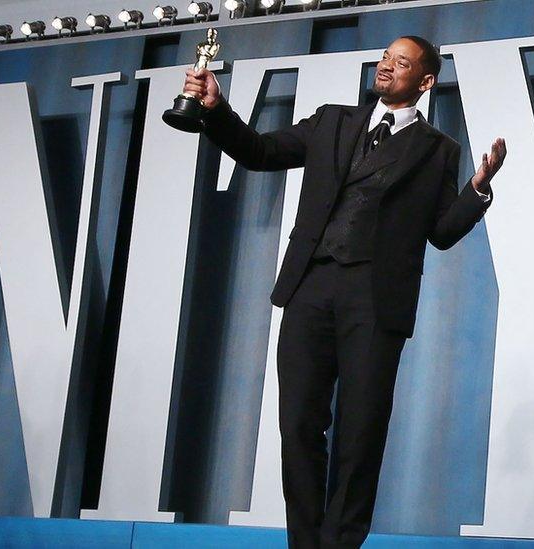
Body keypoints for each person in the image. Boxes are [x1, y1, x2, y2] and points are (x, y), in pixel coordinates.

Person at [182, 36, 506, 548]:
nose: (386, 66)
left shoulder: (438, 150)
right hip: (310, 286)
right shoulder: (332, 120)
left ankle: (340, 544)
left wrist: (479, 189)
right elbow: (260, 152)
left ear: (424, 82)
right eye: (384, 57)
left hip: (375, 301)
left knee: (360, 434)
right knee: (299, 426)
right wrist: (216, 109)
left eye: (400, 63)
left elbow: (441, 232)